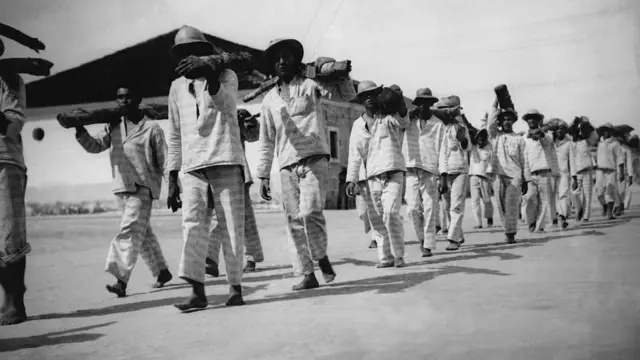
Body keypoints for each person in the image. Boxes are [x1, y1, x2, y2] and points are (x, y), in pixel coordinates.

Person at [256, 38, 355, 290]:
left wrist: (339, 74)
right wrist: (263, 175)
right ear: (272, 64)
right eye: (277, 58)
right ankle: (306, 274)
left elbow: (346, 96)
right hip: (287, 165)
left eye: (286, 56)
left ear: (295, 60)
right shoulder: (268, 100)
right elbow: (266, 139)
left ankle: (321, 255)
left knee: (311, 212)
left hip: (314, 159)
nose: (282, 61)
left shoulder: (311, 85)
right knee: (294, 221)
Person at [166, 25, 247, 310]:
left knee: (232, 227)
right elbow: (174, 135)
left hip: (225, 158)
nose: (187, 60)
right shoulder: (176, 88)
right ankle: (197, 292)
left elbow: (226, 105)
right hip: (192, 166)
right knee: (192, 228)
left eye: (193, 54)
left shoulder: (226, 76)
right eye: (182, 55)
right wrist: (172, 176)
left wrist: (211, 72)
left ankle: (235, 287)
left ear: (203, 54)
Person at [74, 84, 172, 298]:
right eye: (120, 97)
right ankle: (162, 271)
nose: (124, 101)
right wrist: (80, 130)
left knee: (129, 232)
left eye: (129, 96)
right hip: (121, 188)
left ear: (138, 99)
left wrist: (173, 187)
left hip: (143, 188)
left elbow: (165, 161)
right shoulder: (113, 126)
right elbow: (95, 146)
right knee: (143, 233)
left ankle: (121, 281)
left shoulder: (152, 128)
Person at [346, 81, 409, 268]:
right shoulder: (358, 125)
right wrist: (351, 179)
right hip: (371, 177)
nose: (369, 99)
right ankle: (386, 257)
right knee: (377, 220)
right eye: (365, 96)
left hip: (393, 172)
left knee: (391, 213)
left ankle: (399, 255)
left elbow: (404, 120)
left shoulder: (389, 118)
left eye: (373, 94)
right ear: (361, 101)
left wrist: (399, 100)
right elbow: (354, 153)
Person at [205, 109, 264, 274]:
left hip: (237, 173)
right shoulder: (205, 116)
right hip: (213, 173)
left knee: (245, 218)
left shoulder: (234, 115)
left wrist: (249, 122)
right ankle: (210, 258)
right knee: (218, 216)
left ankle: (250, 256)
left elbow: (254, 136)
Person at [0, 72, 30, 325]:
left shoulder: (9, 79)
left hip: (5, 162)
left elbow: (13, 123)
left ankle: (15, 301)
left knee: (11, 235)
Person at [402, 88, 446, 257]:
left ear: (431, 104)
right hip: (411, 170)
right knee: (413, 208)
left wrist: (443, 176)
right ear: (417, 104)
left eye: (427, 103)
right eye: (420, 103)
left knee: (429, 208)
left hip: (430, 171)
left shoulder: (437, 125)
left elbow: (443, 151)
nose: (423, 106)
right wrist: (408, 115)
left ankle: (427, 245)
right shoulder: (408, 122)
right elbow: (398, 122)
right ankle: (422, 238)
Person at [486, 99, 530, 244]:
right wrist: (495, 104)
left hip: (515, 176)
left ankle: (510, 233)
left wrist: (526, 180)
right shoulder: (495, 136)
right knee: (501, 205)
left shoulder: (519, 139)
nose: (506, 122)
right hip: (498, 174)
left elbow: (524, 160)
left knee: (511, 204)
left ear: (513, 121)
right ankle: (508, 229)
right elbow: (490, 124)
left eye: (509, 119)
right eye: (504, 119)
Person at [435, 96, 471, 251]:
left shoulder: (460, 126)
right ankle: (459, 234)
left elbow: (468, 147)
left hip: (460, 170)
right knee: (447, 206)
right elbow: (439, 152)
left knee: (456, 206)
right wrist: (440, 174)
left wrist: (462, 140)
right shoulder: (439, 128)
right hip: (444, 172)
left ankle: (453, 239)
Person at [521, 109, 557, 233]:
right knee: (529, 198)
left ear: (539, 120)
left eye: (534, 118)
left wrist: (540, 132)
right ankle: (531, 222)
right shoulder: (524, 138)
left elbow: (547, 140)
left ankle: (538, 226)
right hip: (530, 174)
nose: (531, 120)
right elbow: (524, 158)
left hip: (544, 172)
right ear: (526, 121)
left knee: (544, 201)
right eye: (529, 118)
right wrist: (525, 177)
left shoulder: (546, 135)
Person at [569, 117, 598, 222]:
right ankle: (579, 209)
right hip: (576, 173)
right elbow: (571, 160)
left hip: (587, 170)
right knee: (574, 193)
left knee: (588, 195)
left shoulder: (586, 141)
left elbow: (595, 136)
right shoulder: (571, 144)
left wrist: (587, 123)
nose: (575, 134)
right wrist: (576, 122)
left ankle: (586, 216)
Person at [594, 123, 622, 220]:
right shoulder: (599, 142)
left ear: (611, 131)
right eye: (604, 130)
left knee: (609, 191)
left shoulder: (615, 143)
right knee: (599, 193)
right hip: (600, 170)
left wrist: (621, 172)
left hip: (611, 170)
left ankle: (610, 212)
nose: (606, 132)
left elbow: (620, 158)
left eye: (608, 130)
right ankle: (604, 206)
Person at [469, 129, 494, 229]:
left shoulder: (489, 148)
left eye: (482, 139)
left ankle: (489, 218)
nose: (480, 141)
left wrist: (490, 175)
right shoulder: (473, 147)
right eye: (479, 139)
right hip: (473, 176)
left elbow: (492, 162)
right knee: (474, 201)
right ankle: (478, 223)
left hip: (484, 177)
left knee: (486, 200)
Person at [553, 119, 572, 228]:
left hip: (564, 173)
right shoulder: (550, 143)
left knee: (563, 194)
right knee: (555, 196)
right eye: (558, 128)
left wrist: (573, 176)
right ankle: (557, 215)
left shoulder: (569, 144)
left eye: (562, 129)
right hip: (552, 173)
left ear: (565, 131)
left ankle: (562, 216)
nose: (560, 131)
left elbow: (572, 162)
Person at [614, 125, 634, 215]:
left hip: (623, 173)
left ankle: (620, 207)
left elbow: (629, 163)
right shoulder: (614, 146)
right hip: (613, 172)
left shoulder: (626, 149)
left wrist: (630, 175)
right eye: (626, 135)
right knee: (614, 191)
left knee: (622, 191)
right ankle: (618, 206)